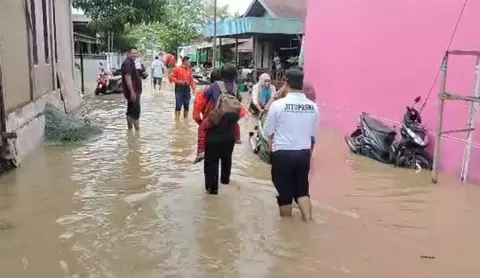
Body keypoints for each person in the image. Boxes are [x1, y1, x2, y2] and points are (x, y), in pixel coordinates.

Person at [264, 68, 320, 222]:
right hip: (303, 154)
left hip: (283, 153)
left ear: (286, 82)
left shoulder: (278, 105)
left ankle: (288, 228)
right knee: (302, 190)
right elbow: (314, 135)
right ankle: (308, 221)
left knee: (285, 192)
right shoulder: (313, 107)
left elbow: (269, 131)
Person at [201, 64, 242, 195]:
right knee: (227, 158)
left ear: (221, 74)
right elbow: (239, 101)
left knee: (211, 162)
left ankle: (212, 190)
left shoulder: (215, 86)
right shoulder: (236, 88)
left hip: (214, 129)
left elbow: (205, 96)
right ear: (235, 75)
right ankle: (225, 181)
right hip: (230, 131)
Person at [121, 47, 143, 131]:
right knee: (135, 112)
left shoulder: (133, 63)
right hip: (133, 92)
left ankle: (129, 131)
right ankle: (137, 132)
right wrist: (132, 91)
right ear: (128, 54)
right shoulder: (128, 64)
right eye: (133, 53)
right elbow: (127, 78)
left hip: (132, 91)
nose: (135, 55)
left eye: (136, 53)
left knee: (130, 111)